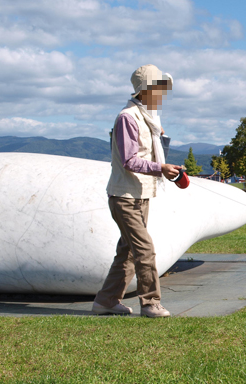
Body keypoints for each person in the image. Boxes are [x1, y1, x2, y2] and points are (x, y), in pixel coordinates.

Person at [92, 64, 181, 318]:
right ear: (146, 90)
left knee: (128, 250)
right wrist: (161, 168)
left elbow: (146, 152)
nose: (162, 94)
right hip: (124, 197)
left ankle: (106, 300)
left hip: (140, 195)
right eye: (159, 88)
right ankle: (151, 303)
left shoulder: (149, 118)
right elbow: (129, 160)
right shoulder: (127, 118)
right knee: (144, 249)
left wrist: (160, 142)